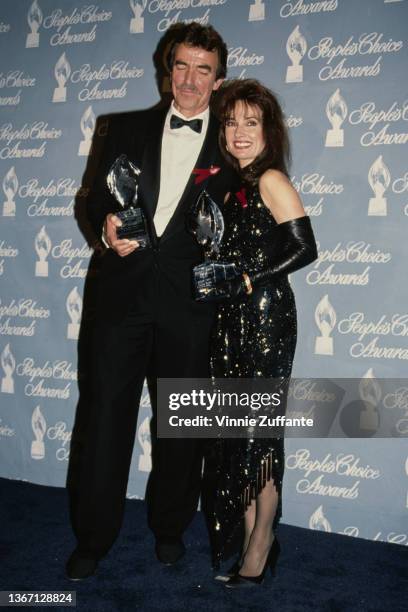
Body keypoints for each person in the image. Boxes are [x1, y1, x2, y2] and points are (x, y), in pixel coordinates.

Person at [66, 23, 237, 580]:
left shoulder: (235, 142)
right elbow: (92, 199)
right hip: (120, 300)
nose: (190, 80)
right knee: (104, 418)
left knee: (182, 426)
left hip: (191, 307)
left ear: (218, 78)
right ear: (168, 69)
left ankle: (170, 528)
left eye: (203, 69)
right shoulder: (124, 127)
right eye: (181, 66)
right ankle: (91, 538)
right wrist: (104, 228)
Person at [207, 79, 317, 588]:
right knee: (239, 433)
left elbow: (305, 247)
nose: (238, 132)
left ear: (269, 131)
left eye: (251, 122)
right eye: (231, 122)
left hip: (267, 316)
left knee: (260, 435)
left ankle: (261, 545)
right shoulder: (231, 185)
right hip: (231, 318)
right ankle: (254, 536)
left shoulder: (271, 179)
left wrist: (251, 279)